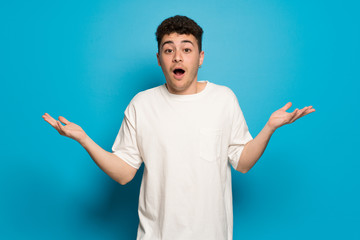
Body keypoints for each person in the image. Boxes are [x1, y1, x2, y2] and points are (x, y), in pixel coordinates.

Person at [42, 15, 315, 240]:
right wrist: (84, 139)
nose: (177, 57)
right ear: (159, 58)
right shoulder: (141, 104)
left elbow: (242, 163)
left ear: (200, 57)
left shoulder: (223, 99)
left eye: (187, 49)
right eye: (168, 49)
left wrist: (269, 128)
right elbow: (125, 173)